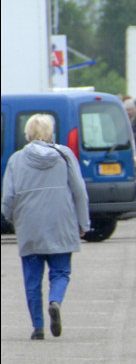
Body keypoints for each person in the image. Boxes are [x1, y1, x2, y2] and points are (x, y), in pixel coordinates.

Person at [2, 114, 90, 340]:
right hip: (61, 223)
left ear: (28, 134)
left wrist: (12, 218)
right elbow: (79, 190)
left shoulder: (16, 160)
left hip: (29, 226)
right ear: (50, 133)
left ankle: (38, 327)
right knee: (60, 272)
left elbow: (9, 197)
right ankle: (55, 301)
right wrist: (83, 222)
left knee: (32, 279)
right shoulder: (64, 155)